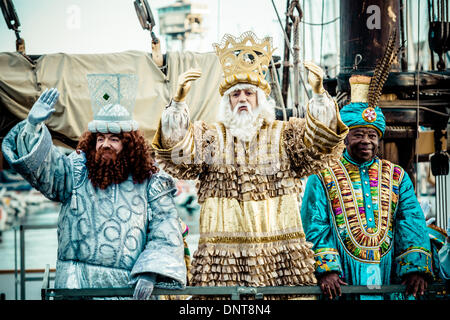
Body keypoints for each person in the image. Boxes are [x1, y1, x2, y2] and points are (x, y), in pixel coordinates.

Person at [151, 31, 348, 298]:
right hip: (224, 264)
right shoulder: (211, 137)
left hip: (279, 263)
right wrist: (177, 103)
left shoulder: (284, 134)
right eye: (235, 95)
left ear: (259, 99)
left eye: (248, 93)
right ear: (227, 101)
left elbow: (319, 145)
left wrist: (319, 96)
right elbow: (178, 154)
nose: (242, 99)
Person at [1, 74, 187, 300]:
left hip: (126, 289)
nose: (105, 144)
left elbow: (165, 229)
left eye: (114, 139)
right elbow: (45, 172)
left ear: (128, 144)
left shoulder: (150, 181)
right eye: (100, 138)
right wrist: (32, 128)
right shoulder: (75, 172)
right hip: (76, 286)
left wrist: (150, 272)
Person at [301, 74, 433, 300]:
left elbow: (411, 220)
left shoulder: (397, 176)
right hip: (342, 278)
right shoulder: (321, 175)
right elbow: (315, 223)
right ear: (345, 138)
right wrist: (327, 269)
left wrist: (415, 269)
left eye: (372, 135)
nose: (366, 141)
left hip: (388, 272)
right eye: (358, 134)